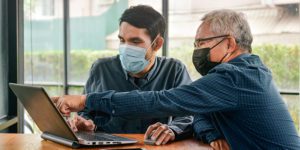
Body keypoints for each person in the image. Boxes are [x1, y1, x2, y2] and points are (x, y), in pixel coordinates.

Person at [53, 9, 300, 149]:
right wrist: (213, 134)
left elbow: (162, 101)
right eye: (196, 44)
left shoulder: (235, 76)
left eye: (203, 43)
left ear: (230, 44)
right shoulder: (243, 73)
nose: (197, 51)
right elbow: (201, 113)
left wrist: (86, 100)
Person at [59, 5, 195, 146]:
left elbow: (189, 114)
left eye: (135, 41)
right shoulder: (101, 69)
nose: (126, 48)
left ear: (157, 44)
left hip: (153, 147)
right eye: (122, 40)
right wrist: (85, 123)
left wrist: (172, 129)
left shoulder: (174, 70)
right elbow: (86, 111)